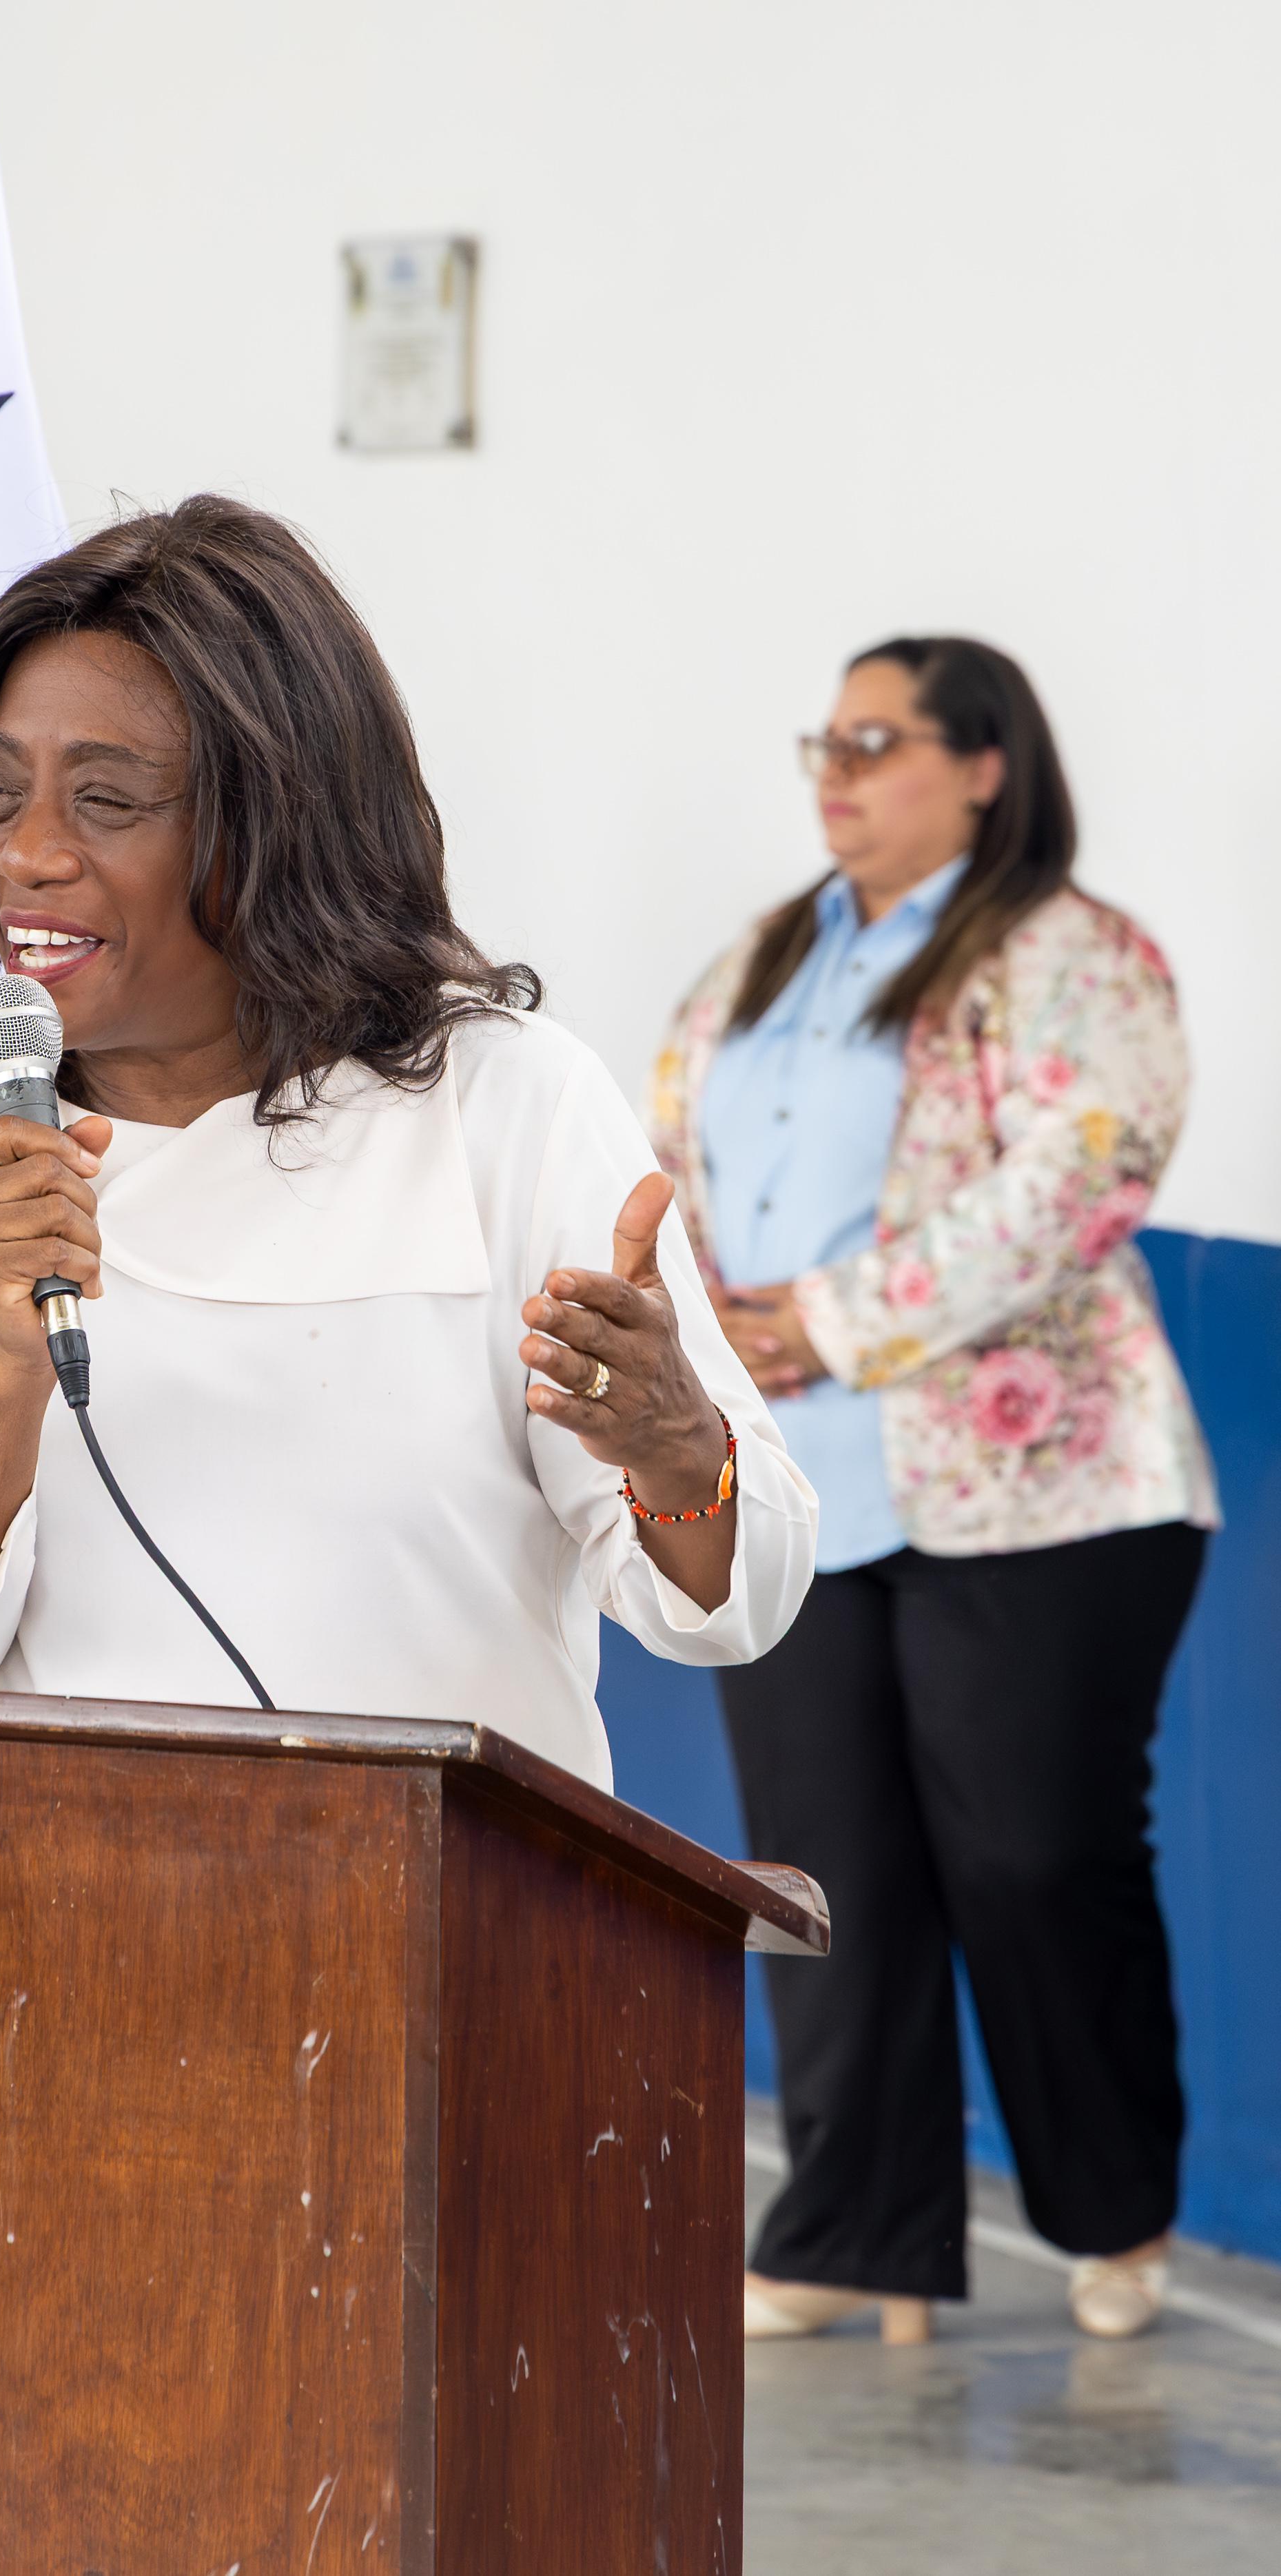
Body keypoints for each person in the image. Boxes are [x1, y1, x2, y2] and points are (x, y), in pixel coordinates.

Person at [0, 497, 817, 1789]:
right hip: (58, 1895)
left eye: (105, 800)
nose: (27, 853)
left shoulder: (507, 1104)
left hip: (450, 1898)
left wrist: (672, 1439)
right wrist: (4, 1366)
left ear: (276, 827)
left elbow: (734, 1605)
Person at [645, 635, 1218, 2345]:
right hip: (793, 1482)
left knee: (1033, 1859)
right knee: (823, 1873)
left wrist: (824, 1320)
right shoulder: (770, 952)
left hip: (1038, 1490)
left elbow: (1082, 1173)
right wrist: (705, 1324)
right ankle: (852, 2233)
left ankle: (1112, 2215)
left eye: (874, 741)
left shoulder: (1070, 953)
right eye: (822, 741)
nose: (834, 772)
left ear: (982, 767)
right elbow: (670, 1147)